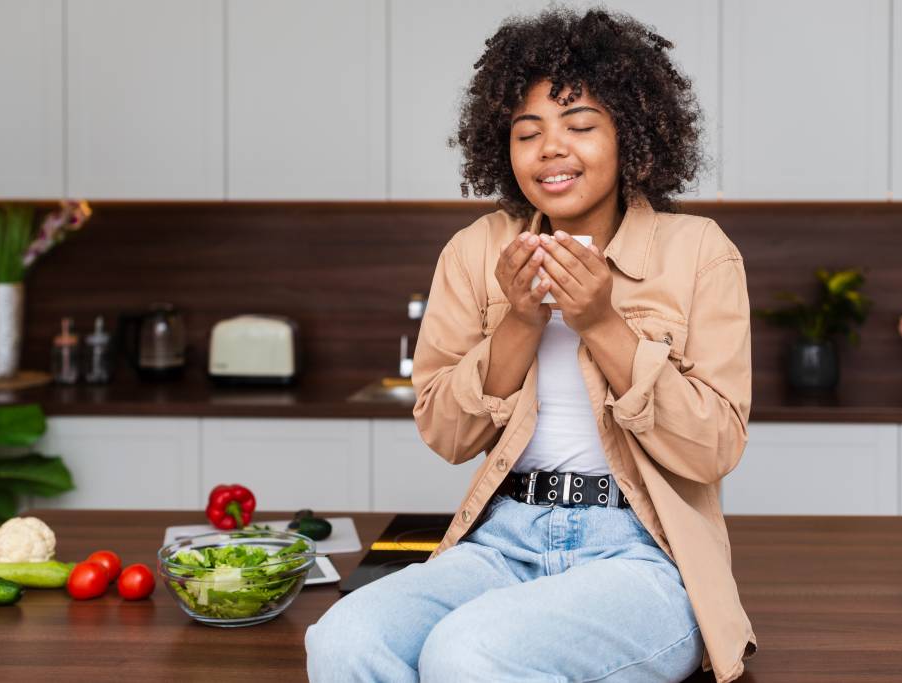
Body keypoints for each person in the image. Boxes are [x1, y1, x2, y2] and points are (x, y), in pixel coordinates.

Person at [306, 6, 757, 682]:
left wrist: (603, 322)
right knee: (342, 640)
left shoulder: (698, 254)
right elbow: (445, 432)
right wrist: (518, 321)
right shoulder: (475, 250)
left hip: (641, 555)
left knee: (466, 652)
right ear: (503, 147)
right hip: (504, 538)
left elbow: (716, 444)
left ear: (630, 137)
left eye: (579, 126)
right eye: (527, 133)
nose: (551, 148)